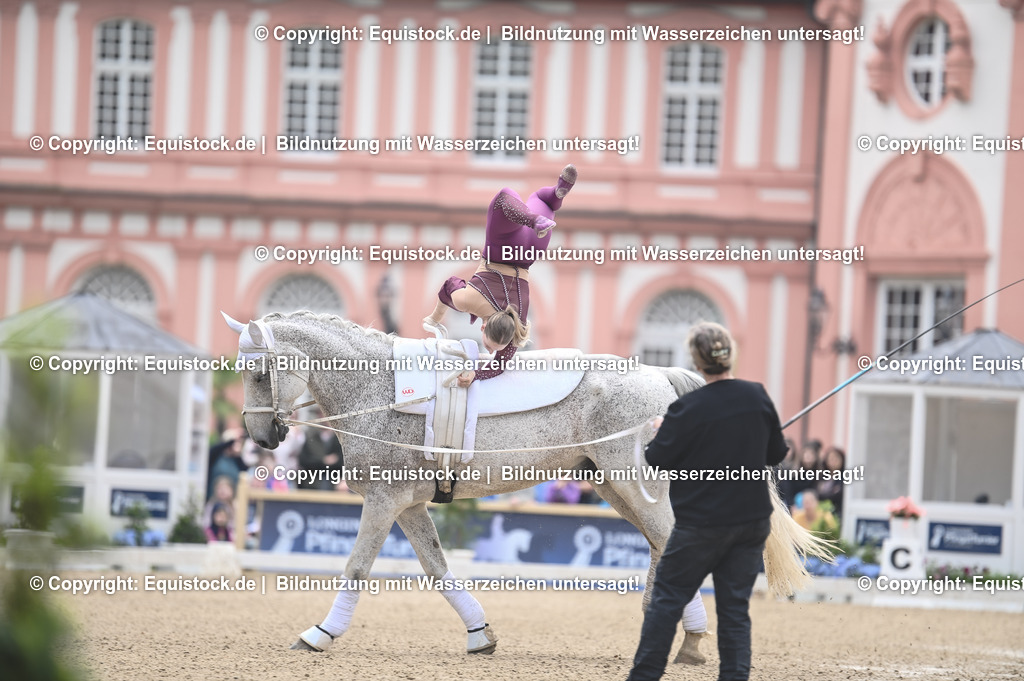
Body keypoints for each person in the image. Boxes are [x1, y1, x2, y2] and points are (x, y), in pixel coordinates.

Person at [626, 322, 788, 681]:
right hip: (750, 522)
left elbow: (657, 460)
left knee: (666, 602)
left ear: (697, 362)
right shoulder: (757, 395)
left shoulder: (687, 408)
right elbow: (776, 454)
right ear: (730, 355)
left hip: (701, 524)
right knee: (734, 611)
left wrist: (660, 429)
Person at [423, 164, 577, 384]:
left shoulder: (518, 326)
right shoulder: (469, 301)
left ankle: (556, 193)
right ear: (484, 327)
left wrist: (475, 374)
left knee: (541, 200)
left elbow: (498, 365)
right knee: (503, 198)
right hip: (504, 247)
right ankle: (534, 220)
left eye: (488, 347)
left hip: (532, 248)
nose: (487, 348)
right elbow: (449, 286)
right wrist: (436, 317)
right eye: (487, 345)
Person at [815, 445, 846, 517]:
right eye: (831, 458)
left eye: (836, 458)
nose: (834, 461)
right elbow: (816, 494)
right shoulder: (821, 476)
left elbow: (839, 496)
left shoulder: (845, 478)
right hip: (821, 514)